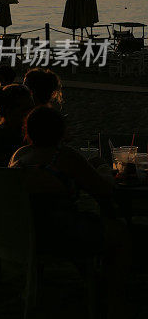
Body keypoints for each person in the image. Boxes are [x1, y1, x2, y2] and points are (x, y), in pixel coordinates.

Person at [10, 106, 130, 318]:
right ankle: (115, 300)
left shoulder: (19, 156)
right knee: (119, 232)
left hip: (22, 234)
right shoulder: (63, 157)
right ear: (60, 131)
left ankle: (92, 279)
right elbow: (103, 189)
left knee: (81, 223)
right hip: (60, 236)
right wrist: (102, 168)